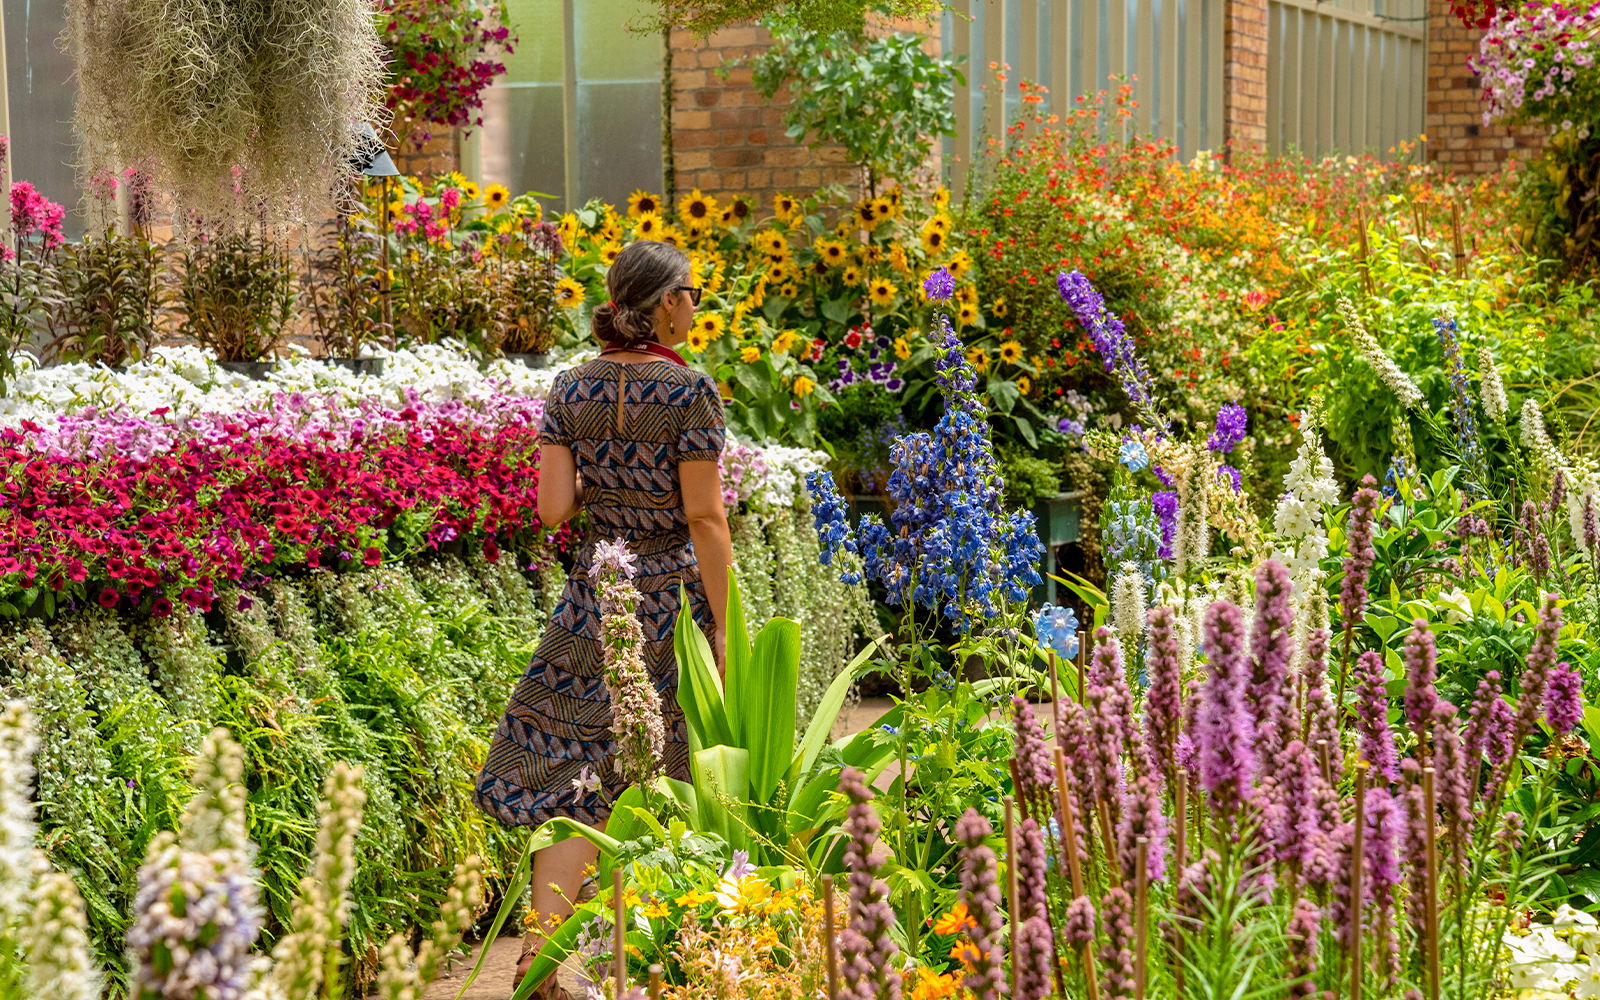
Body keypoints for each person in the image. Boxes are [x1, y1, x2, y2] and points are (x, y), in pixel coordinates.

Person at [474, 240, 732, 998]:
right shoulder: (690, 392)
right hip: (672, 601)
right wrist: (724, 623)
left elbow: (554, 509)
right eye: (691, 292)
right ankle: (665, 967)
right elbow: (706, 517)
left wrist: (610, 488)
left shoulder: (568, 389)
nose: (697, 305)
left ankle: (539, 962)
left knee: (571, 775)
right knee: (674, 772)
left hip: (595, 596)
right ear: (664, 304)